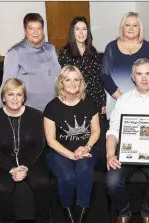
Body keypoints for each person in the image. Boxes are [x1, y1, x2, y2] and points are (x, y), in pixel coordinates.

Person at [105, 58, 149, 223]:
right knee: (111, 182)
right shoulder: (123, 101)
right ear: (132, 76)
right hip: (126, 150)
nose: (144, 78)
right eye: (139, 74)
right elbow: (113, 132)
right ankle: (124, 212)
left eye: (148, 73)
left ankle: (147, 212)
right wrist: (110, 154)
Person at [0, 78, 52, 223]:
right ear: (3, 97)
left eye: (19, 94)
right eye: (11, 94)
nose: (15, 99)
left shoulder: (36, 115)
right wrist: (12, 169)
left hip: (32, 161)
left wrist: (24, 167)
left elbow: (39, 145)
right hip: (3, 163)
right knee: (2, 188)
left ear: (24, 97)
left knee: (41, 183)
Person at [43, 65, 100, 223]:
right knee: (67, 177)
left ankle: (80, 217)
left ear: (81, 82)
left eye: (77, 79)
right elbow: (51, 140)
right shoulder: (51, 107)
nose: (73, 83)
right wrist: (70, 154)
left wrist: (87, 147)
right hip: (58, 152)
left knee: (84, 171)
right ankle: (69, 216)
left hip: (86, 149)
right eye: (68, 79)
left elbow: (96, 131)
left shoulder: (88, 103)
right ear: (61, 82)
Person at [0, 13, 61, 111]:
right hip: (30, 113)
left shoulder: (51, 49)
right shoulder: (15, 53)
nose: (36, 32)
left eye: (39, 28)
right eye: (31, 28)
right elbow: (7, 85)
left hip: (55, 109)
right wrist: (0, 112)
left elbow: (60, 78)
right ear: (25, 30)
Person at [100, 12, 149, 119]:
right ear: (122, 27)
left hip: (143, 101)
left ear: (140, 28)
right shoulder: (111, 47)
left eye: (135, 25)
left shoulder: (148, 48)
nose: (131, 28)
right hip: (116, 100)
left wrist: (140, 97)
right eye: (127, 25)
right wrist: (122, 99)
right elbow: (104, 75)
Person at [58, 16, 107, 117]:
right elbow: (63, 80)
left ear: (88, 32)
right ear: (72, 32)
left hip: (93, 100)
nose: (81, 33)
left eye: (84, 29)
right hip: (74, 99)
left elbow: (98, 79)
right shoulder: (65, 52)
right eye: (77, 29)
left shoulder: (93, 52)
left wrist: (102, 101)